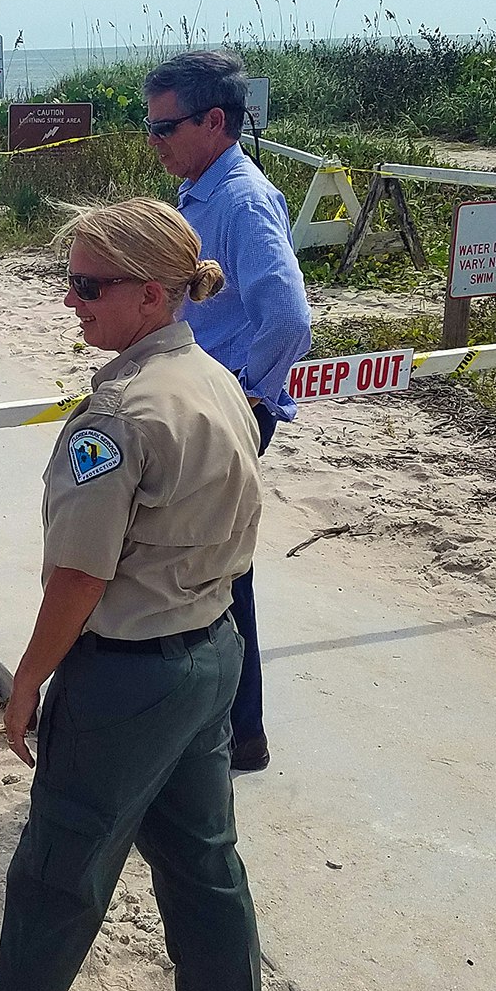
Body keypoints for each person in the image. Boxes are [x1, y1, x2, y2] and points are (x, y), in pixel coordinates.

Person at [0, 198, 265, 991]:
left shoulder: (116, 416)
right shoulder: (213, 379)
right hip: (211, 650)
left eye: (89, 285)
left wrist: (29, 678)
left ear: (151, 295)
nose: (72, 299)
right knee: (205, 862)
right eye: (71, 280)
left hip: (129, 675)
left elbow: (78, 575)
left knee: (58, 872)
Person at [143, 50, 312, 774]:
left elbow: (291, 319)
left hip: (227, 409)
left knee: (213, 572)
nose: (155, 142)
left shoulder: (241, 200)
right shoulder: (202, 190)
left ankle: (234, 733)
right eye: (148, 127)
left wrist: (245, 396)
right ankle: (236, 732)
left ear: (215, 122)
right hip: (204, 404)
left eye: (166, 128)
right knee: (211, 564)